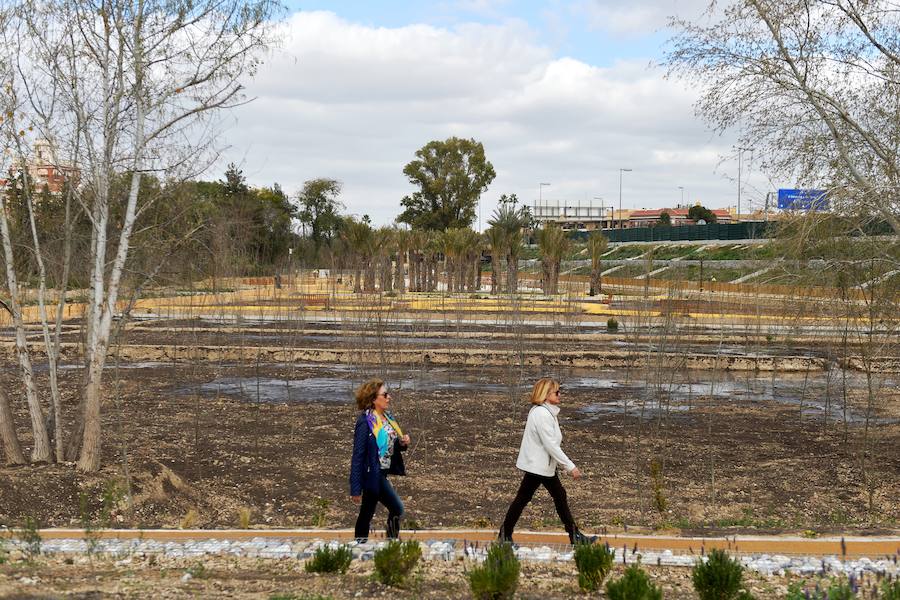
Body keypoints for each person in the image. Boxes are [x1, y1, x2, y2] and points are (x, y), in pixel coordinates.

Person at [499, 377, 597, 545]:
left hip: (542, 465)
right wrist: (570, 466)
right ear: (546, 394)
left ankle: (574, 535)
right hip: (539, 467)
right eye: (556, 392)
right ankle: (574, 536)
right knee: (533, 497)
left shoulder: (545, 412)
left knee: (545, 496)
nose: (560, 395)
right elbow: (551, 445)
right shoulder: (542, 414)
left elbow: (551, 444)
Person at [349, 378, 411, 541]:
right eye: (385, 394)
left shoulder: (387, 418)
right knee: (397, 508)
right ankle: (391, 543)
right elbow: (358, 455)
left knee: (367, 511)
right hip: (372, 474)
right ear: (374, 398)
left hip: (381, 473)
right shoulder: (366, 422)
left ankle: (359, 544)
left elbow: (390, 445)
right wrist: (355, 488)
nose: (389, 397)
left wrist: (402, 443)